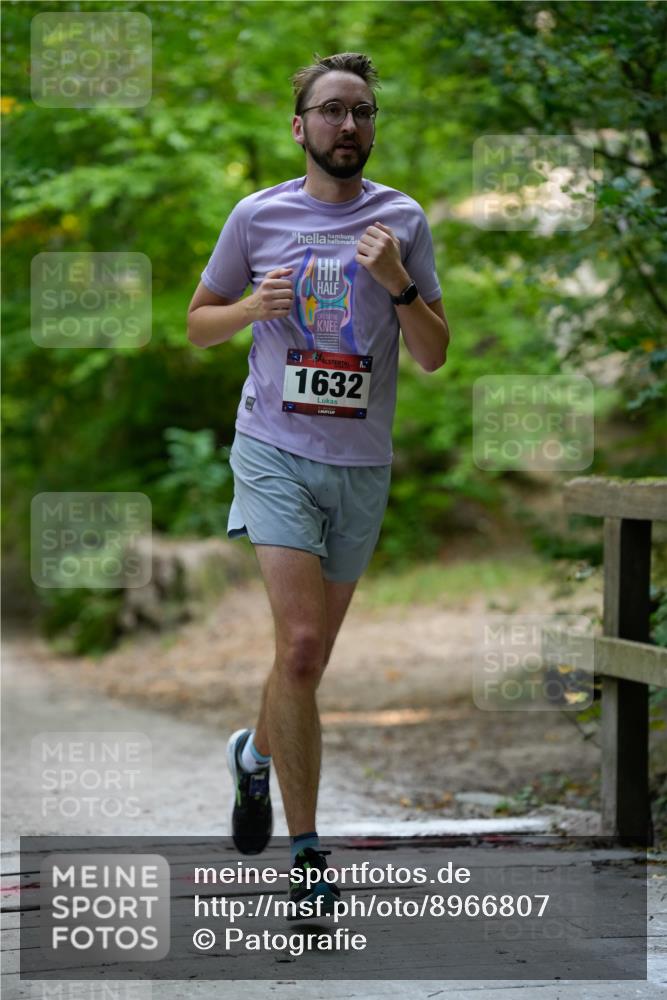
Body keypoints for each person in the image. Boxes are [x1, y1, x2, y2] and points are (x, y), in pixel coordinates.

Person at [187, 51, 449, 917]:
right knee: (300, 648)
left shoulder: (401, 220)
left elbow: (433, 353)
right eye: (332, 110)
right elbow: (198, 326)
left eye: (362, 111)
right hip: (273, 449)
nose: (348, 124)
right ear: (300, 127)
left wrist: (398, 284)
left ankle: (255, 756)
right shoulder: (256, 215)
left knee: (307, 662)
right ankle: (306, 859)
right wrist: (248, 311)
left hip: (360, 464)